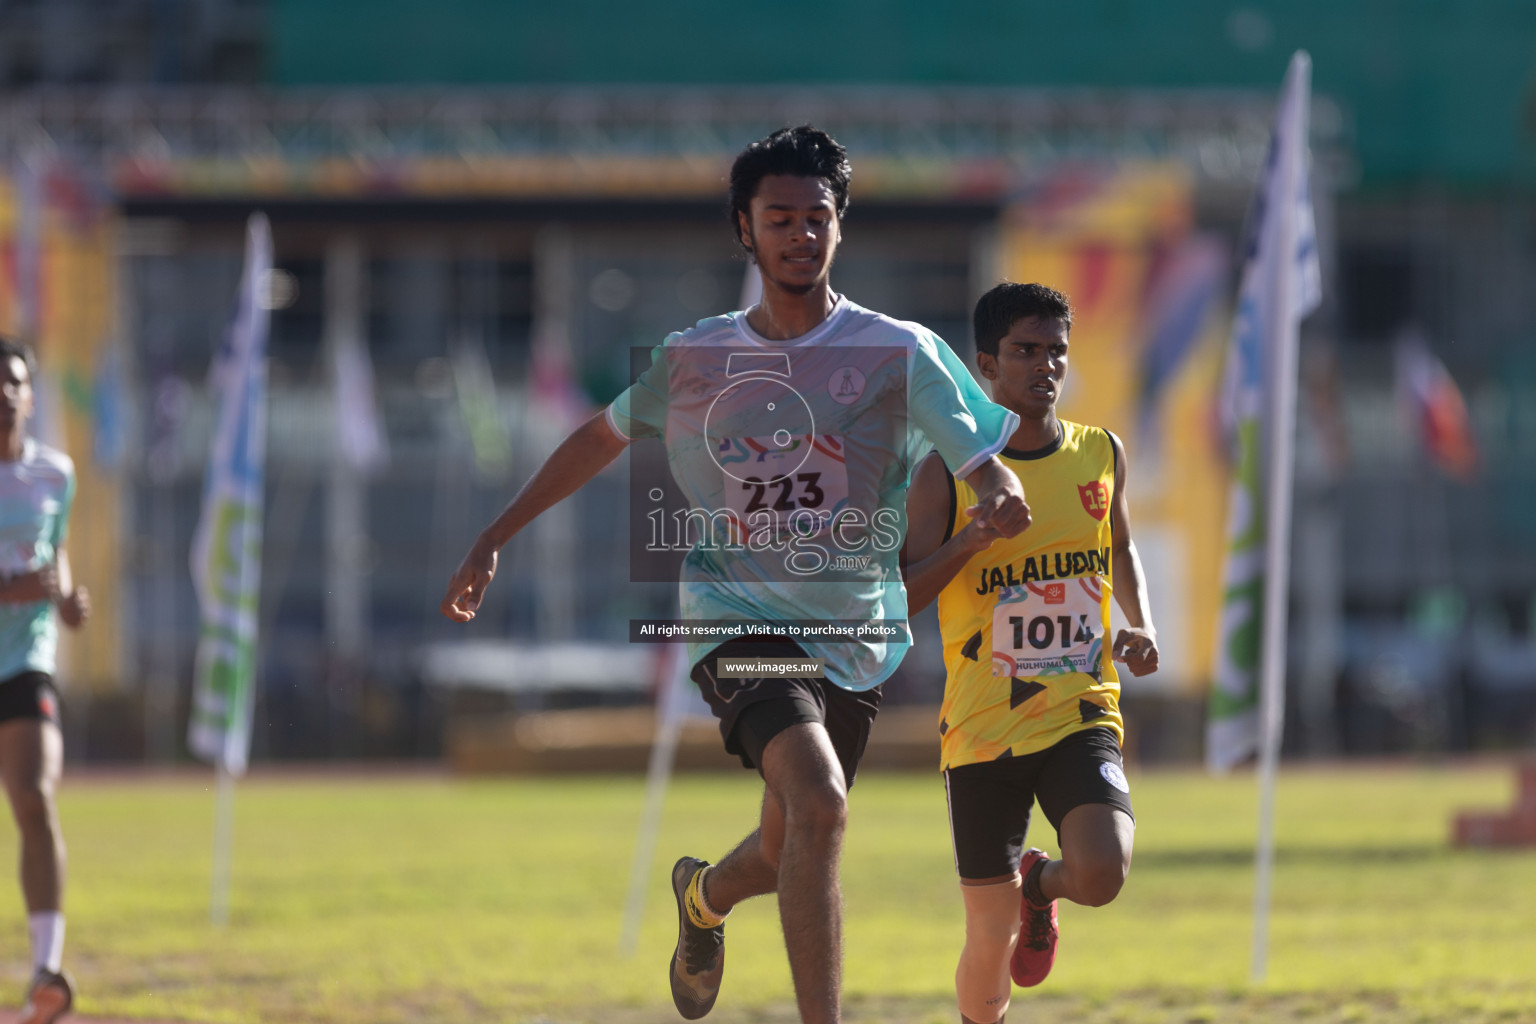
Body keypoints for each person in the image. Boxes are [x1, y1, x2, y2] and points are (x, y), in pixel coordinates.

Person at [440, 126, 1029, 1024]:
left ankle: (702, 899)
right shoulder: (694, 357)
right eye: (780, 218)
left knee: (783, 839)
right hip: (734, 616)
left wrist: (1003, 491)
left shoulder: (899, 351)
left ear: (841, 227)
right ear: (743, 230)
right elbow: (599, 437)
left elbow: (982, 453)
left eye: (817, 218)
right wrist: (495, 534)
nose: (801, 235)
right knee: (823, 803)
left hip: (855, 635)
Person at [902, 283, 1158, 1024]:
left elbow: (1122, 546)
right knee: (989, 933)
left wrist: (1142, 624)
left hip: (1081, 711)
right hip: (983, 730)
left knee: (1104, 873)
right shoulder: (943, 473)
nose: (1044, 366)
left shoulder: (1100, 450)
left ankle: (1040, 884)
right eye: (1025, 351)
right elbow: (903, 594)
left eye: (1056, 351)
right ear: (987, 364)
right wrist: (972, 539)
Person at [0, 338, 90, 1024]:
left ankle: (46, 972)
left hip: (27, 659)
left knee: (34, 798)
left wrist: (65, 602)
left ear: (30, 395)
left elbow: (53, 564)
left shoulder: (55, 474)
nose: (5, 392)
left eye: (15, 381)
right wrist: (14, 588)